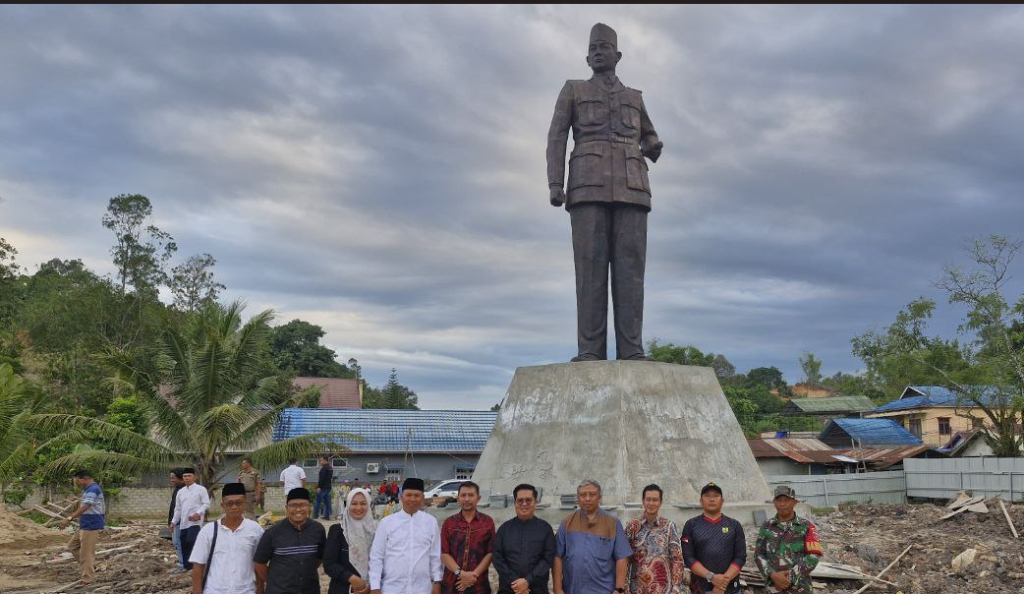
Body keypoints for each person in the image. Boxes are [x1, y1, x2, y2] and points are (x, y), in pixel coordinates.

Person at [546, 23, 664, 361]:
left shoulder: (634, 97)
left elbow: (648, 135)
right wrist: (556, 183)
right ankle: (589, 352)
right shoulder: (573, 89)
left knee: (631, 271)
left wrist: (652, 144)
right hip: (586, 185)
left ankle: (632, 351)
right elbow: (556, 137)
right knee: (590, 270)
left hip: (633, 187)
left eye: (604, 47)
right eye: (593, 48)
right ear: (587, 57)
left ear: (618, 55)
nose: (599, 52)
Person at [553, 479, 631, 594]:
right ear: (578, 498)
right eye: (583, 495)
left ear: (599, 497)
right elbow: (557, 556)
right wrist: (557, 589)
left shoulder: (612, 523)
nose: (587, 498)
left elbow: (622, 557)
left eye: (592, 494)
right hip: (572, 590)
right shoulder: (567, 523)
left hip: (604, 590)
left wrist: (619, 589)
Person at [369, 477, 442, 594]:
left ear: (422, 498)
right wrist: (375, 586)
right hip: (391, 588)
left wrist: (437, 581)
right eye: (408, 495)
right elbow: (376, 557)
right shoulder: (387, 523)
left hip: (422, 589)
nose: (412, 499)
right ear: (401, 497)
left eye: (417, 495)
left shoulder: (431, 522)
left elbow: (435, 555)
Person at [189, 483, 263, 594]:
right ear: (222, 506)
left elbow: (259, 563)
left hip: (246, 591)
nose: (234, 507)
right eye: (230, 503)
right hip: (214, 591)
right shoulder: (208, 531)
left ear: (245, 504)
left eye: (238, 503)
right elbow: (198, 566)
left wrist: (260, 589)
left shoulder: (255, 530)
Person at [255, 487, 326, 594]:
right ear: (286, 508)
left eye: (302, 505)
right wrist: (274, 582)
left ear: (309, 507)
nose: (298, 509)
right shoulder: (273, 532)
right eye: (293, 505)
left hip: (310, 589)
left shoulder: (318, 529)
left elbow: (319, 558)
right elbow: (259, 563)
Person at [754, 486, 822, 594]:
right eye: (778, 500)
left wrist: (790, 577)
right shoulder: (766, 526)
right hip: (774, 588)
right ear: (774, 502)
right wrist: (773, 575)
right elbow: (759, 554)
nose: (782, 504)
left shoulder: (806, 526)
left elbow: (814, 555)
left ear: (795, 502)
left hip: (800, 588)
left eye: (786, 500)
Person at [681, 483, 745, 594]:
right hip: (700, 589)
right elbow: (688, 558)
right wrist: (711, 577)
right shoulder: (691, 525)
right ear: (701, 501)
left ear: (722, 501)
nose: (711, 499)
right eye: (707, 496)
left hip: (731, 589)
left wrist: (722, 583)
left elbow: (740, 557)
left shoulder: (734, 525)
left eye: (715, 496)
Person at [492, 483, 556, 594]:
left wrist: (528, 581)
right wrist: (517, 583)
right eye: (520, 500)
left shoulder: (545, 529)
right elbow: (497, 558)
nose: (524, 504)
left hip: (537, 589)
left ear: (536, 502)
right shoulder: (504, 529)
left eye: (528, 500)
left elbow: (547, 559)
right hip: (509, 589)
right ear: (515, 503)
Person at [624, 484, 684, 594]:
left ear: (660, 502)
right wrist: (624, 587)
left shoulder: (669, 527)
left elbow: (677, 559)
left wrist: (676, 588)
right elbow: (624, 559)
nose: (651, 503)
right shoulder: (632, 527)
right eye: (648, 499)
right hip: (636, 590)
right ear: (643, 501)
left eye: (655, 500)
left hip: (664, 590)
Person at [440, 481, 494, 594]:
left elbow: (490, 553)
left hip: (479, 584)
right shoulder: (449, 523)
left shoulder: (487, 522)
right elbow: (444, 553)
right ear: (458, 498)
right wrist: (461, 574)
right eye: (463, 495)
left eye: (471, 495)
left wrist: (473, 576)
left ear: (478, 498)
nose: (467, 499)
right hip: (452, 584)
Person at [324, 488, 377, 594]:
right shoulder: (338, 530)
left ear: (369, 505)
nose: (358, 508)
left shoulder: (377, 530)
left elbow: (382, 562)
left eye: (363, 503)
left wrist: (371, 586)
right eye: (354, 503)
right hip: (342, 589)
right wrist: (352, 578)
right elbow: (329, 564)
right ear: (347, 505)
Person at [60, 470, 105, 585]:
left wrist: (70, 518)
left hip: (91, 525)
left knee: (86, 553)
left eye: (78, 480)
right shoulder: (88, 490)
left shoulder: (93, 489)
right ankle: (91, 568)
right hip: (85, 524)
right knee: (72, 546)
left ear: (85, 478)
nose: (77, 483)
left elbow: (86, 506)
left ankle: (87, 578)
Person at [171, 468, 211, 571]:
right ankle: (187, 567)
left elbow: (206, 503)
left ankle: (199, 564)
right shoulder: (181, 492)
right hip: (184, 523)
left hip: (195, 522)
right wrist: (173, 522)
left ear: (194, 477)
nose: (187, 478)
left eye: (189, 476)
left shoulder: (201, 489)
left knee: (192, 540)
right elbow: (178, 509)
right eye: (185, 476)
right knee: (184, 543)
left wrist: (198, 513)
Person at [169, 467, 187, 572]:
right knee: (177, 543)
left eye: (173, 478)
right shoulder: (177, 489)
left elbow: (180, 509)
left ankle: (183, 564)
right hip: (175, 521)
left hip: (180, 522)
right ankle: (182, 563)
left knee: (178, 543)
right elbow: (173, 508)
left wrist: (174, 521)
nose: (171, 480)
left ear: (180, 478)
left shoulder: (183, 490)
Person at [315, 456, 335, 521]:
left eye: (321, 460)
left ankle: (315, 516)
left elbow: (322, 479)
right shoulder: (330, 468)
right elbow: (329, 479)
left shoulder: (324, 468)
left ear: (325, 460)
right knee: (327, 502)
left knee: (318, 502)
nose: (320, 462)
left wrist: (319, 487)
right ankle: (327, 516)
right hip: (328, 487)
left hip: (322, 487)